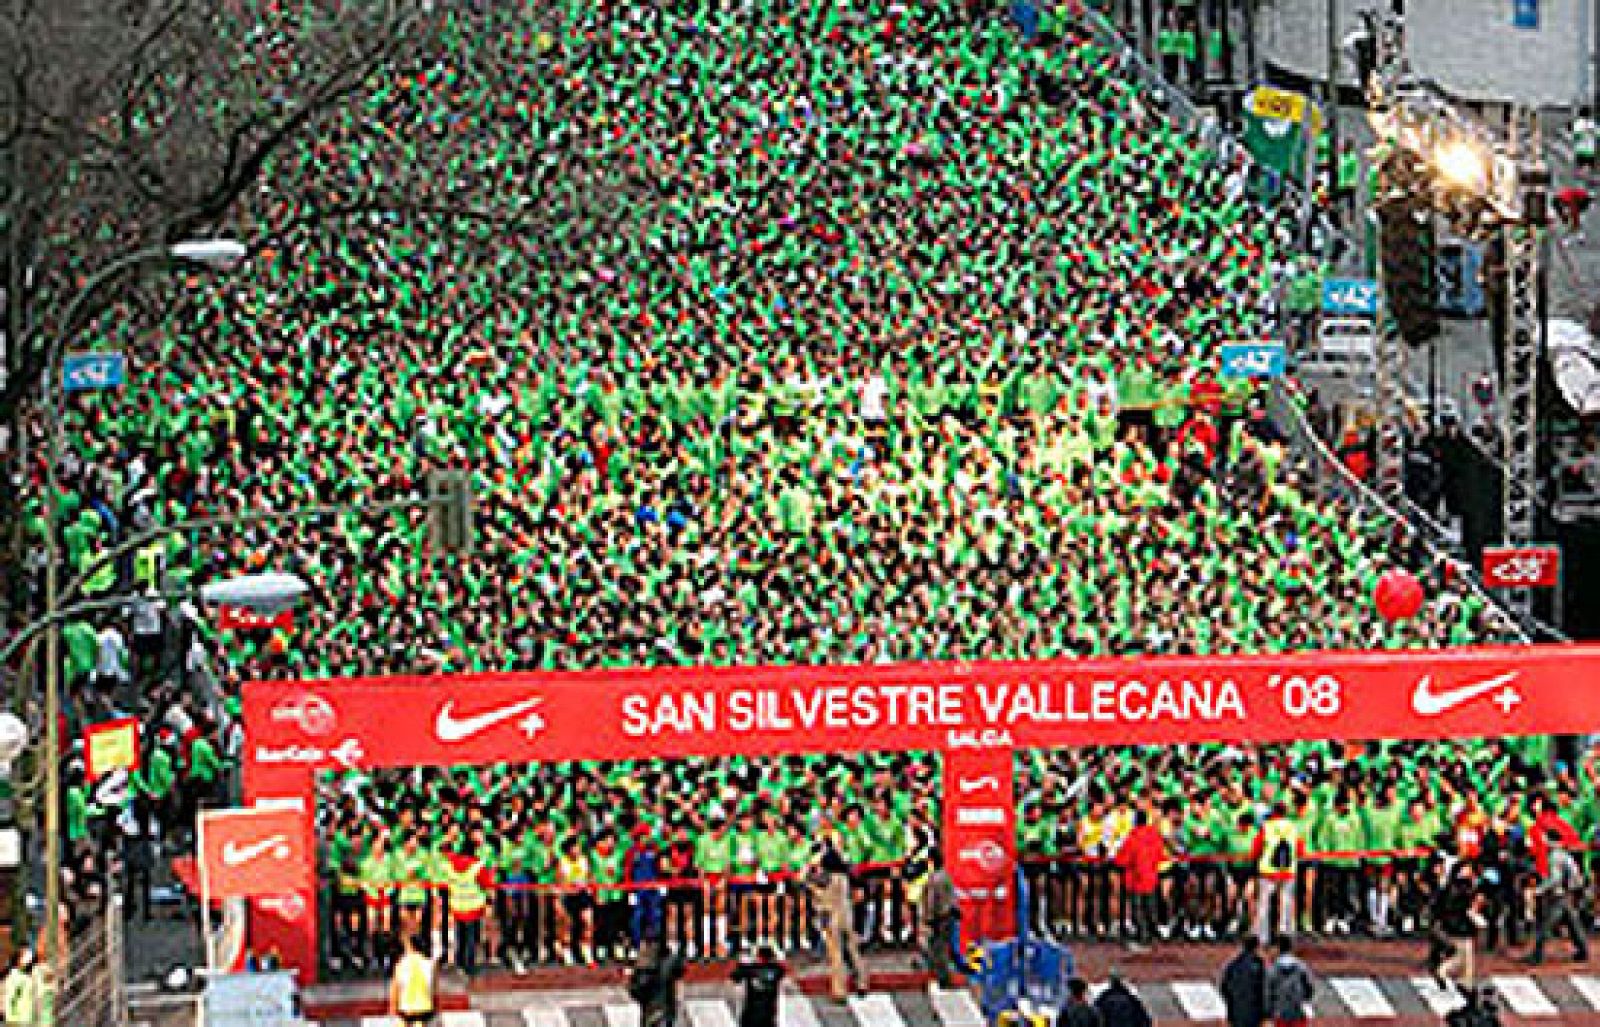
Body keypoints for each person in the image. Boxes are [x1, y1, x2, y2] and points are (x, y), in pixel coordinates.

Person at [811, 828, 867, 1001]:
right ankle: (862, 982)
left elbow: (811, 886)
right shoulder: (845, 877)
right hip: (847, 915)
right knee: (852, 950)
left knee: (836, 955)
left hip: (831, 918)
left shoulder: (825, 878)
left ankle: (839, 990)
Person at [1528, 830, 1589, 965]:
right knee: (1574, 924)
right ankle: (1583, 951)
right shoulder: (1565, 854)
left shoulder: (1555, 856)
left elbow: (1556, 878)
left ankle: (1537, 956)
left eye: (1546, 839)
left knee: (1545, 926)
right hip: (1568, 894)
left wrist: (1540, 890)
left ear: (1551, 841)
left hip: (1558, 896)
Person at [1250, 804, 1304, 945]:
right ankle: (1284, 935)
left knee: (1264, 905)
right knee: (1286, 904)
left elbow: (1256, 848)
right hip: (1287, 871)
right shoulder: (1293, 827)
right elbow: (1300, 849)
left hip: (1268, 871)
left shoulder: (1266, 827)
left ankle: (1263, 936)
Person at [1432, 861, 1486, 991]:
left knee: (1465, 956)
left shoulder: (1449, 886)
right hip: (1461, 925)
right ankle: (1445, 973)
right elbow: (1470, 905)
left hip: (1451, 924)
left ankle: (1464, 981)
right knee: (1463, 956)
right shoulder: (1465, 887)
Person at [920, 850, 959, 988]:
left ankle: (943, 976)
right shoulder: (946, 876)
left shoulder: (934, 879)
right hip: (947, 916)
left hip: (938, 917)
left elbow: (931, 901)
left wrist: (928, 918)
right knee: (942, 947)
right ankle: (940, 973)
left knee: (938, 948)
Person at [629, 938, 686, 1027]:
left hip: (656, 1011)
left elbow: (636, 991)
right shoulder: (671, 959)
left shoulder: (643, 968)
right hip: (663, 1011)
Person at [1264, 935, 1314, 1027]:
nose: (1269, 951)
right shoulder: (1301, 965)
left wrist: (1268, 1014)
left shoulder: (1272, 969)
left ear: (1278, 948)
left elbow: (1268, 993)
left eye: (1271, 948)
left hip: (1279, 1013)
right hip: (1298, 1012)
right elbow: (1309, 988)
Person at [730, 944, 785, 1027]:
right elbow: (780, 969)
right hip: (768, 1015)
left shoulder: (749, 969)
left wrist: (741, 964)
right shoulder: (777, 970)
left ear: (759, 956)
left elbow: (734, 977)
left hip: (750, 1015)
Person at [388, 934, 437, 1026]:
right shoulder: (430, 964)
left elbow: (395, 991)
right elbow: (434, 992)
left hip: (406, 1009)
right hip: (425, 1010)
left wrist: (392, 1010)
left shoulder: (401, 963)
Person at [1219, 935, 1267, 1027]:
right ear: (1257, 946)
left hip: (1236, 1011)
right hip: (1255, 1013)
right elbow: (1264, 989)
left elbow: (1223, 988)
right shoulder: (1259, 964)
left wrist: (1230, 1004)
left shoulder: (1233, 964)